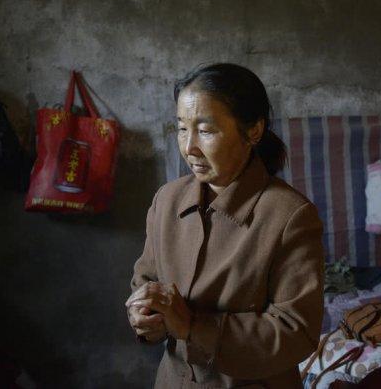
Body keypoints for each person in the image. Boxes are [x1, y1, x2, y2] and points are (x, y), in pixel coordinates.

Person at [125, 63, 325, 388]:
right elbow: (145, 280)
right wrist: (145, 313)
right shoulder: (167, 200)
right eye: (181, 128)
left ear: (254, 131)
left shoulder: (291, 215)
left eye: (206, 131)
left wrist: (193, 327)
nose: (189, 147)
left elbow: (296, 332)